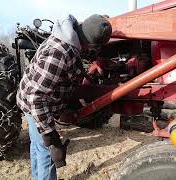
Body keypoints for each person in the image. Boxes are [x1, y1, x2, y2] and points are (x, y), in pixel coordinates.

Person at [16, 14, 112, 180]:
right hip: (34, 104)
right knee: (47, 151)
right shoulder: (59, 54)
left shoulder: (67, 35)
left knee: (38, 146)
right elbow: (35, 97)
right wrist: (51, 137)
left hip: (36, 100)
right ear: (91, 45)